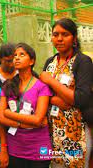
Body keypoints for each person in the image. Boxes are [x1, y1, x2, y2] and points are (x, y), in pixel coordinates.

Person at [40, 18, 93, 168]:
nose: (59, 39)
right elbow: (42, 93)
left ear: (74, 38)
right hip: (53, 131)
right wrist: (55, 100)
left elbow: (81, 99)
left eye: (65, 34)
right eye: (55, 34)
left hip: (76, 131)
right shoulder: (50, 62)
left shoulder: (83, 61)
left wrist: (51, 81)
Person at [0, 43, 52, 168]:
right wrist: (25, 123)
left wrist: (9, 114)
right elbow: (1, 119)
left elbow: (38, 119)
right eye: (15, 55)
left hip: (39, 148)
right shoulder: (8, 85)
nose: (16, 58)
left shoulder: (41, 86)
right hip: (15, 148)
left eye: (22, 55)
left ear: (31, 61)